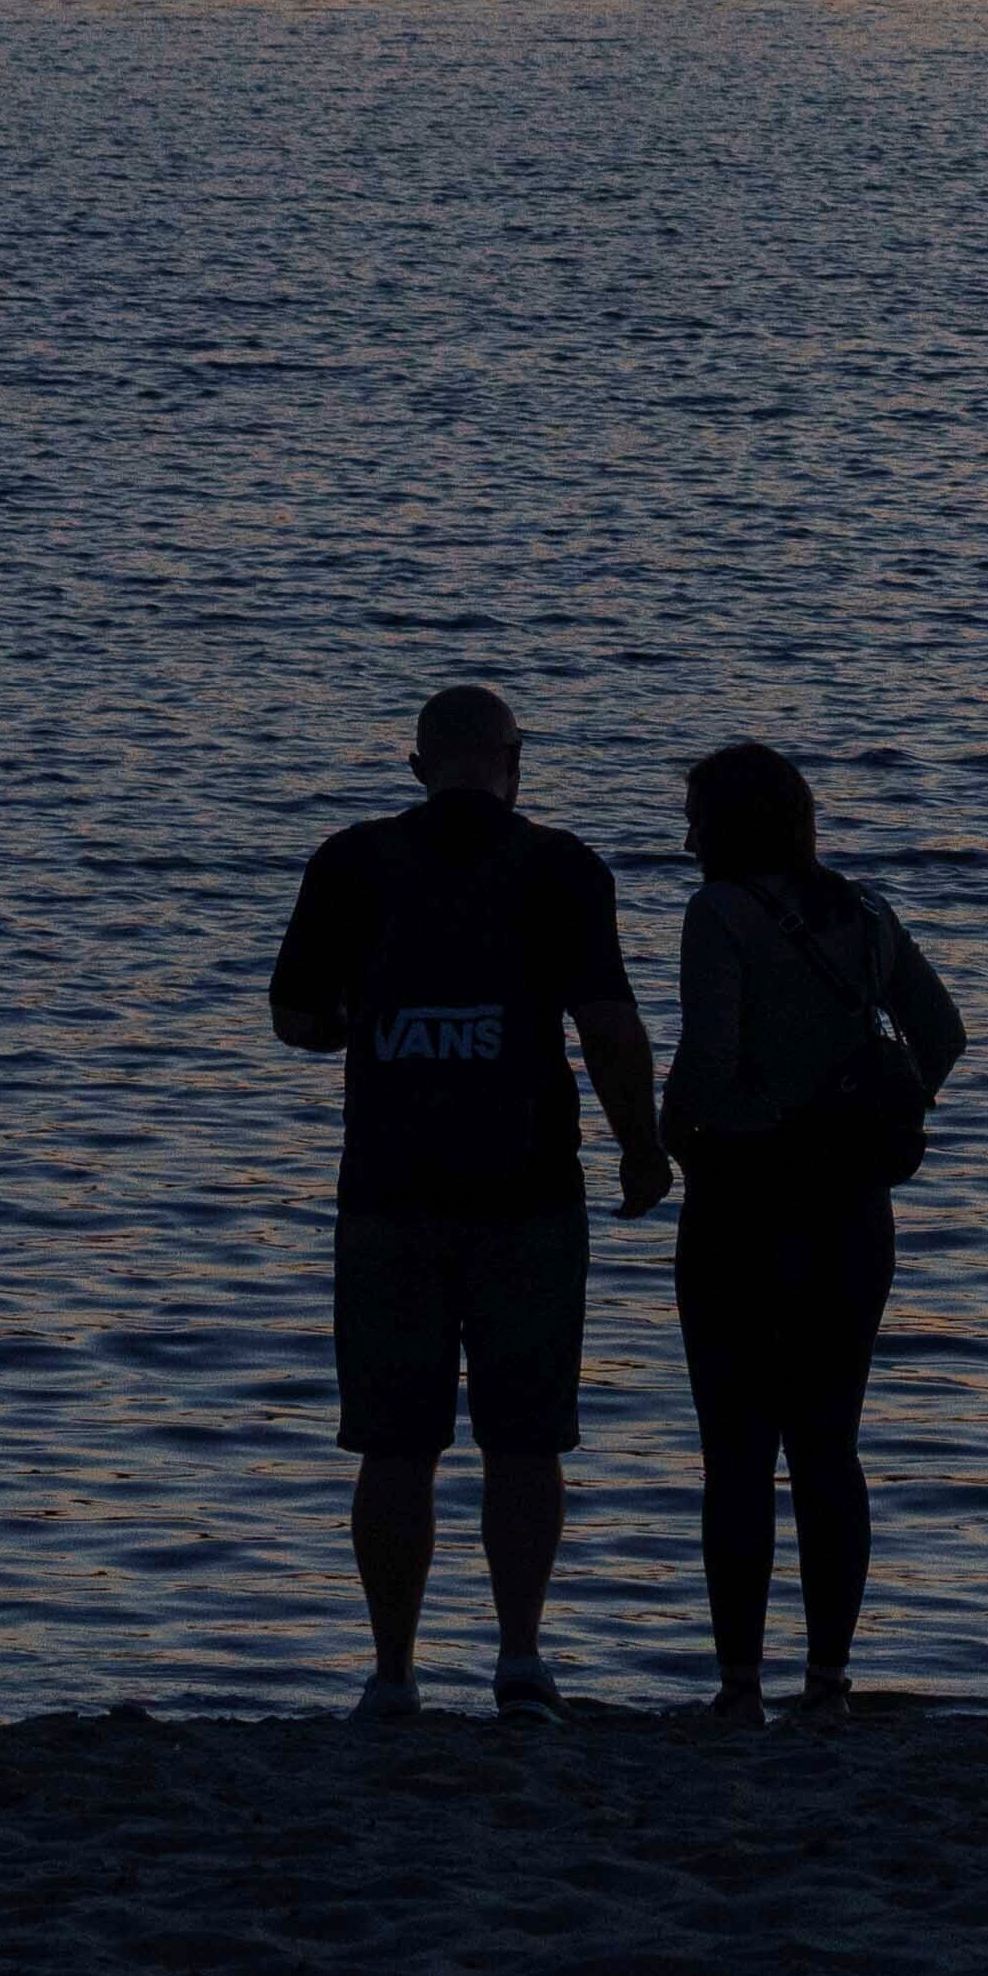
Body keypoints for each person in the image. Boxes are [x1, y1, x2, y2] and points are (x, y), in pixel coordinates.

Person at [265, 682, 666, 1717]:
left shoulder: (351, 861)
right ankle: (520, 1658)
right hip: (528, 1190)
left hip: (387, 1192)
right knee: (524, 1441)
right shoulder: (562, 867)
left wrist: (361, 1026)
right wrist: (642, 1148)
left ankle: (393, 1673)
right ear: (515, 763)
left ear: (417, 767)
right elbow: (609, 1026)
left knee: (395, 1444)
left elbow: (295, 1019)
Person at [657, 741, 967, 1716]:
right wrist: (873, 1114)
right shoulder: (868, 913)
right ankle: (828, 1679)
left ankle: (739, 1687)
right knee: (830, 1447)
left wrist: (671, 1137)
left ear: (726, 827)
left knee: (738, 1454)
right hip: (850, 1210)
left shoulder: (720, 913)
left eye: (696, 820)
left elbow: (707, 1062)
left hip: (741, 1205)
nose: (688, 840)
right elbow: (944, 1033)